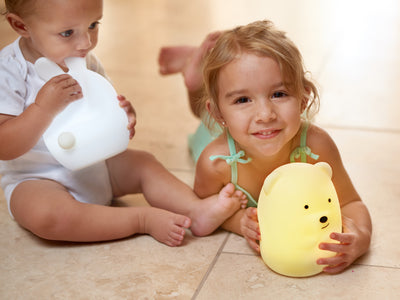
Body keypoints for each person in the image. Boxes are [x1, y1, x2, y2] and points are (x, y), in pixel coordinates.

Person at [0, 0, 248, 247]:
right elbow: (5, 145)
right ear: (21, 26)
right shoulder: (9, 71)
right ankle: (139, 219)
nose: (86, 42)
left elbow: (101, 109)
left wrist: (122, 117)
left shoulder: (84, 60)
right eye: (67, 33)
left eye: (93, 25)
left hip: (97, 165)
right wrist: (41, 109)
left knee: (143, 164)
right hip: (36, 178)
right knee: (47, 216)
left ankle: (196, 210)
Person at [158, 20, 372, 273]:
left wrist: (361, 237)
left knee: (257, 110)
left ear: (303, 99)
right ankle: (193, 77)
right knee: (201, 117)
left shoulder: (316, 146)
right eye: (243, 99)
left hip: (265, 129)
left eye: (279, 94)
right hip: (217, 134)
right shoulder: (215, 162)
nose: (265, 114)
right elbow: (205, 209)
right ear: (220, 113)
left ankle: (207, 76)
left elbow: (351, 203)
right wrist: (238, 222)